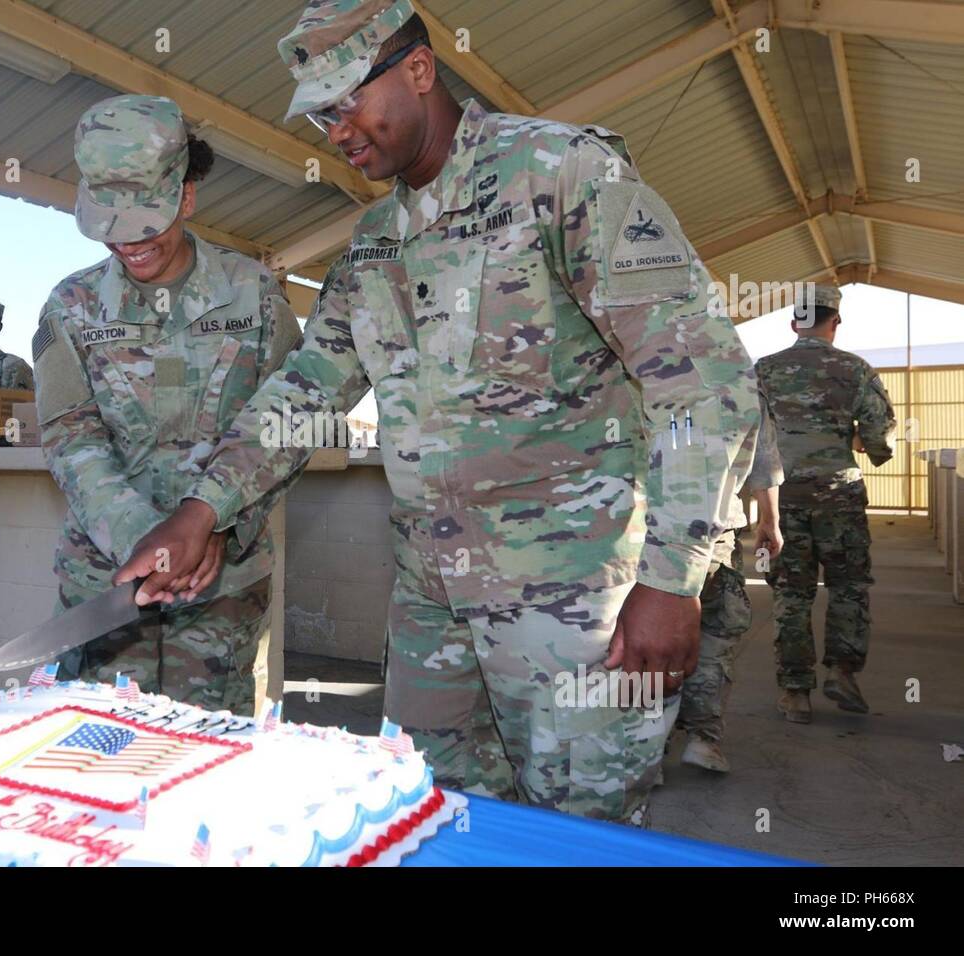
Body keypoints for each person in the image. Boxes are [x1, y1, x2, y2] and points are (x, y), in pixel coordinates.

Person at [113, 1, 760, 826]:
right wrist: (202, 509)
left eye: (346, 101)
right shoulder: (375, 241)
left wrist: (675, 578)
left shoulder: (560, 173)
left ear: (418, 69)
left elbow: (701, 380)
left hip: (572, 605)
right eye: (319, 114)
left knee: (581, 833)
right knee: (435, 820)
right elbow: (310, 387)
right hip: (431, 603)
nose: (335, 132)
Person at [31, 95, 302, 715]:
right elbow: (72, 439)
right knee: (94, 766)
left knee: (209, 768)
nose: (129, 242)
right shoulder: (69, 308)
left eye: (146, 220)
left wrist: (218, 522)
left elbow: (289, 423)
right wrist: (145, 538)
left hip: (222, 592)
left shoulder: (253, 295)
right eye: (110, 223)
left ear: (185, 197)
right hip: (107, 590)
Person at [755, 284, 895, 723]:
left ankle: (795, 694)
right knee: (848, 587)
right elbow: (880, 440)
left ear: (794, 322)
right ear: (834, 322)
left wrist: (762, 513)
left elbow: (748, 441)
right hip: (840, 498)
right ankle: (842, 672)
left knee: (791, 594)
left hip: (784, 496)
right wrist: (851, 438)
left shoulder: (764, 371)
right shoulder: (856, 370)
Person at [677, 389, 783, 772]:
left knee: (642, 637)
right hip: (713, 532)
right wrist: (769, 522)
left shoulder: (630, 358)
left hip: (640, 532)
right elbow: (764, 467)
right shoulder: (739, 379)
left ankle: (646, 749)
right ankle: (703, 739)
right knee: (715, 632)